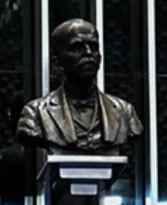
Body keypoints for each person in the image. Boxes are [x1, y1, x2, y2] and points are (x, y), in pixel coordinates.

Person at [16, 19, 143, 155]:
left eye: (93, 47)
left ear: (100, 58)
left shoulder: (125, 112)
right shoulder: (35, 113)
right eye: (76, 48)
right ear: (57, 63)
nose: (88, 53)